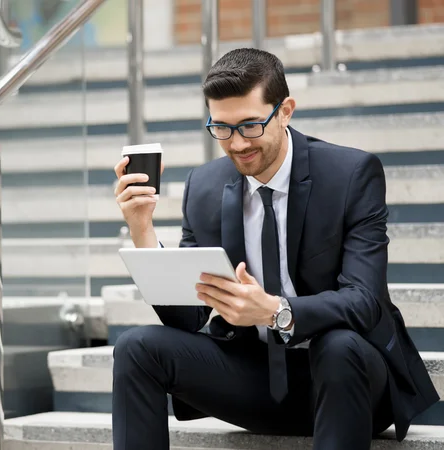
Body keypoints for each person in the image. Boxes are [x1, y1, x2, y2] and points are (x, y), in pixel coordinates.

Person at [111, 48, 439, 450]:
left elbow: (364, 302)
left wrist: (274, 311)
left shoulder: (350, 175)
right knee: (136, 347)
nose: (236, 144)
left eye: (250, 125)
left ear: (285, 111)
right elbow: (187, 316)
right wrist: (142, 228)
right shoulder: (205, 187)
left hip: (350, 381)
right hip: (256, 379)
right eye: (222, 128)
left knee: (338, 347)